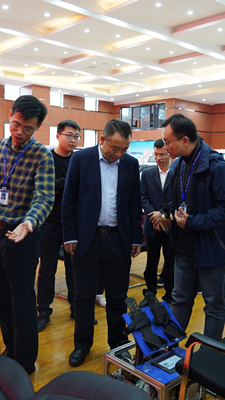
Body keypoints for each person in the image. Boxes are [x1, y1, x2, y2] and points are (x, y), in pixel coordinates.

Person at [62, 119, 142, 367]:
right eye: (115, 148)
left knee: (117, 297)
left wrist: (136, 238)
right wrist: (70, 236)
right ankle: (82, 345)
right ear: (102, 139)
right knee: (84, 297)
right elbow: (69, 200)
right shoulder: (81, 159)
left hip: (118, 239)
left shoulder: (130, 164)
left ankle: (118, 343)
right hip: (87, 239)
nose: (119, 154)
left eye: (124, 149)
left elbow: (134, 204)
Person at [154, 114, 225, 339]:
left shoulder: (216, 166)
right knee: (179, 300)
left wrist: (192, 222)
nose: (165, 147)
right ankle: (169, 348)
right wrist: (167, 216)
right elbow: (176, 202)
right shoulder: (178, 165)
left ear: (184, 140)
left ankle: (208, 354)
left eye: (168, 142)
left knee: (213, 305)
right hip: (183, 248)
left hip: (212, 249)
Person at [0, 95, 54, 375]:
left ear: (37, 127)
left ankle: (25, 362)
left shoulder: (42, 155)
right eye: (16, 124)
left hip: (22, 237)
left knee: (23, 302)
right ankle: (11, 349)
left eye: (27, 128)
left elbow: (44, 197)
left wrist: (28, 223)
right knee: (1, 300)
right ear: (10, 115)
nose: (19, 132)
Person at [36, 120, 87, 332]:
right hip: (49, 222)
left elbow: (83, 188)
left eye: (77, 136)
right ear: (58, 136)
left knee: (74, 268)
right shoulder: (47, 158)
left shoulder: (79, 159)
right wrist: (67, 184)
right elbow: (44, 187)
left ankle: (76, 308)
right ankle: (43, 311)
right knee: (47, 268)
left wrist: (61, 185)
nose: (73, 140)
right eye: (69, 135)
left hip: (73, 223)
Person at [139, 139, 174, 306]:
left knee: (170, 262)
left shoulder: (177, 173)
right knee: (151, 262)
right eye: (156, 154)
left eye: (162, 154)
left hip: (169, 224)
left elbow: (179, 198)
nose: (158, 158)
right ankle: (150, 293)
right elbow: (143, 197)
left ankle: (170, 295)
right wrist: (154, 214)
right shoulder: (147, 173)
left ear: (170, 154)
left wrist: (162, 214)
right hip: (152, 224)